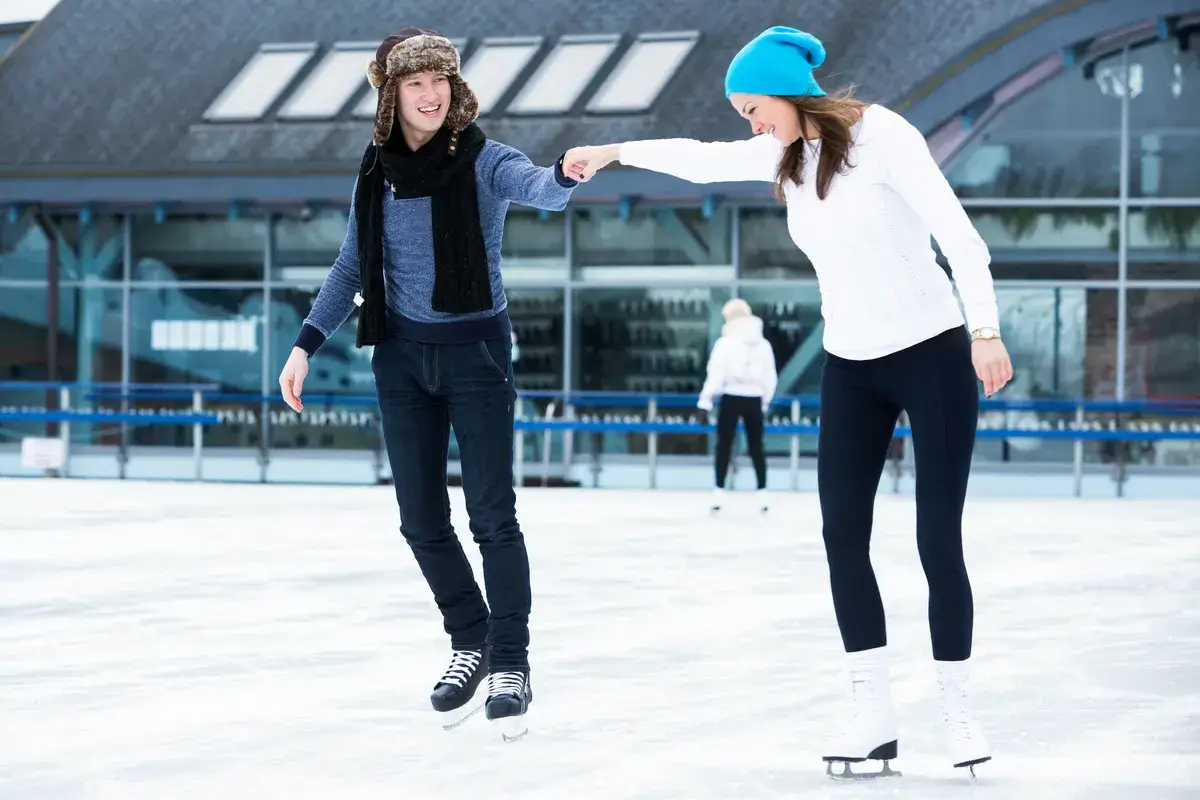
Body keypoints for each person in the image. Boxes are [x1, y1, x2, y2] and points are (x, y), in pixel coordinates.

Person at [563, 25, 1013, 780]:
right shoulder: (785, 155)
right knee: (843, 536)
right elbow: (701, 162)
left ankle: (958, 711)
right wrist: (614, 153)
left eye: (752, 106)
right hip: (852, 365)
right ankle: (874, 720)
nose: (749, 123)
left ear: (786, 91)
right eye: (742, 113)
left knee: (937, 540)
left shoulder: (885, 137)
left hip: (933, 352)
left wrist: (985, 330)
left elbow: (960, 238)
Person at [278, 28, 578, 743]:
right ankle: (470, 640)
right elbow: (353, 267)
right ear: (392, 94)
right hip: (402, 360)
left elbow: (537, 187)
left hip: (476, 355)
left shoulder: (484, 159)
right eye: (415, 83)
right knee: (419, 520)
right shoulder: (377, 171)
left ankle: (511, 661)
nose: (431, 93)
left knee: (492, 517)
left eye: (440, 79)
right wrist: (304, 345)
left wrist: (564, 175)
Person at [699, 298, 777, 513]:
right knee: (757, 447)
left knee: (724, 445)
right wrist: (765, 399)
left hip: (731, 396)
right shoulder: (763, 344)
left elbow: (716, 373)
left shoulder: (725, 343)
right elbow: (770, 375)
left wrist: (705, 402)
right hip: (754, 398)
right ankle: (763, 493)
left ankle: (718, 492)